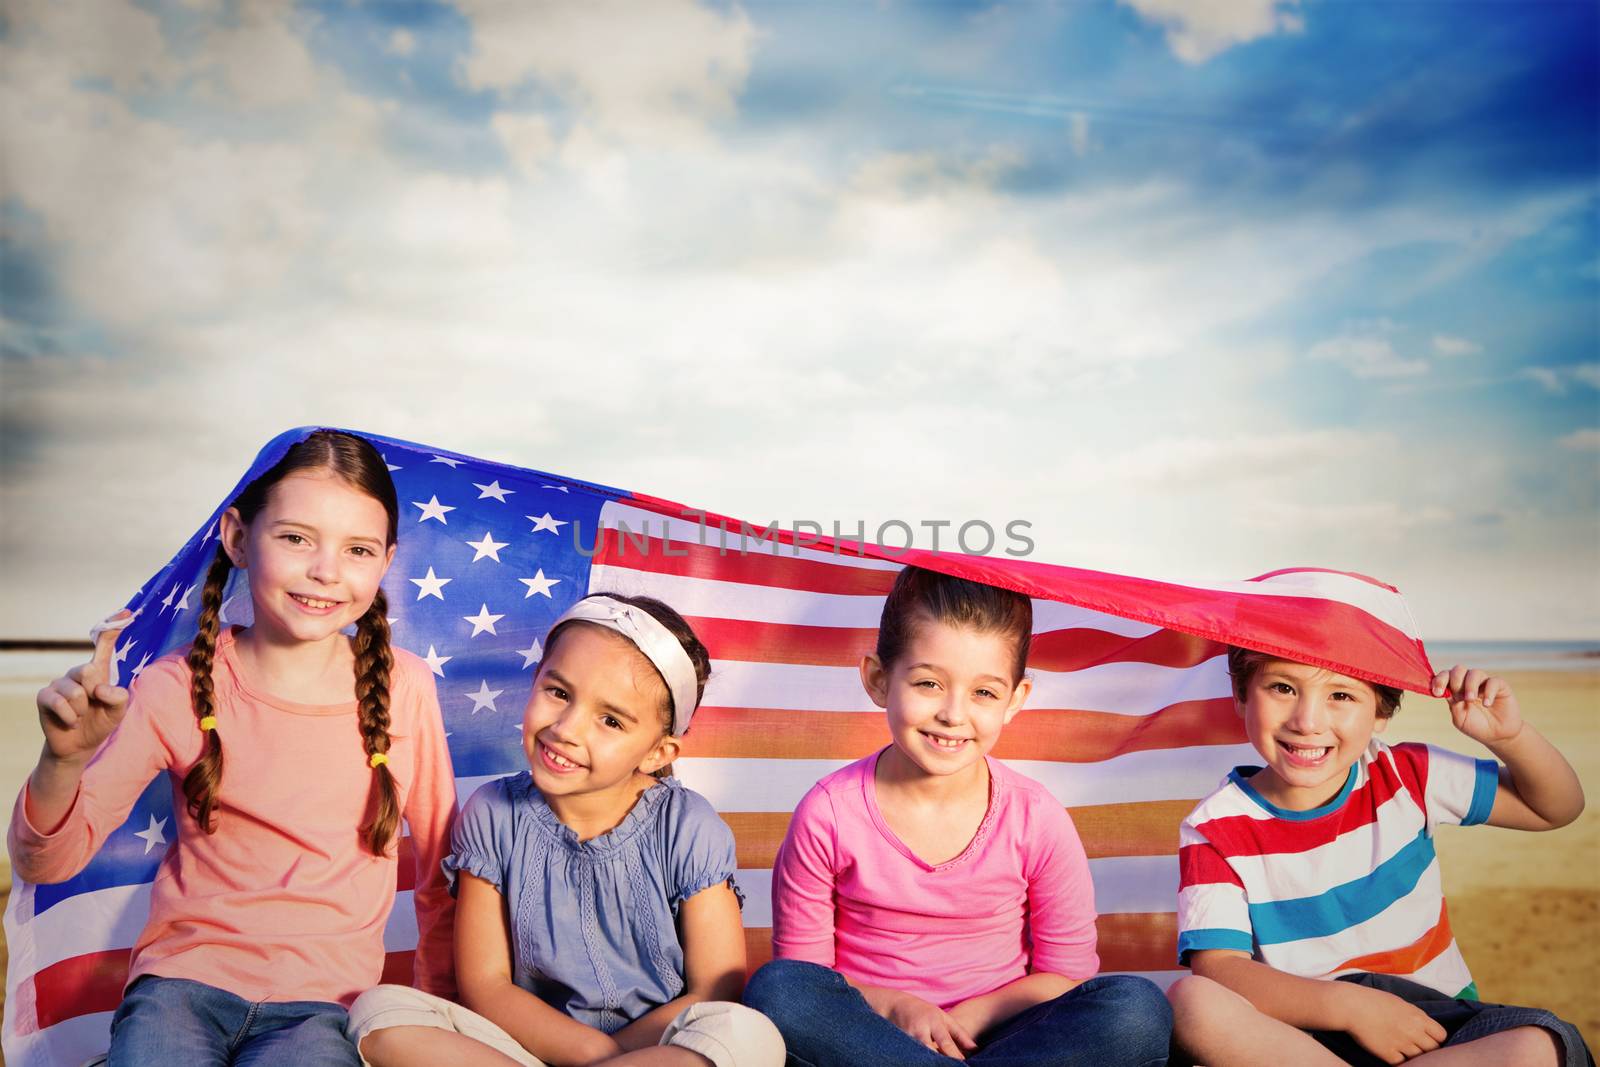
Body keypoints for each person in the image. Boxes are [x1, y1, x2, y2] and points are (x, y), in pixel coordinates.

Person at [10, 430, 458, 1066]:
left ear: (385, 562)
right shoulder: (175, 686)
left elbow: (443, 871)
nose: (326, 570)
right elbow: (45, 862)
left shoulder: (405, 686)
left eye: (356, 549)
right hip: (179, 991)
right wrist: (63, 761)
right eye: (296, 538)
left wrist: (431, 1006)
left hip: (325, 1008)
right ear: (239, 538)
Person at [742, 566, 1173, 1067]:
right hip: (873, 1035)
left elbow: (1067, 979)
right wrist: (899, 1007)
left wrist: (973, 1016)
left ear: (1016, 700)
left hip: (1007, 1037)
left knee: (1136, 1009)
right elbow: (806, 974)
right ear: (879, 680)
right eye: (928, 683)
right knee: (778, 991)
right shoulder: (829, 811)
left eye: (984, 693)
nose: (953, 713)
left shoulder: (1036, 815)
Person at [347, 593, 785, 1067]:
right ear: (535, 682)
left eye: (611, 720)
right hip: (523, 1048)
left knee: (747, 1034)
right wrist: (594, 1056)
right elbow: (485, 985)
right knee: (379, 1012)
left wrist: (616, 1056)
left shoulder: (687, 825)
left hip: (658, 1051)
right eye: (558, 692)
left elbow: (713, 990)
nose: (568, 729)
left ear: (658, 753)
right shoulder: (493, 813)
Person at [1168, 648, 1592, 1066]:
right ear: (1241, 695)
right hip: (1303, 1033)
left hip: (1434, 1025)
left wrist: (1509, 738)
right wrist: (1350, 1007)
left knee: (1543, 1046)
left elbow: (1554, 808)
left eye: (1341, 696)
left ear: (1381, 712)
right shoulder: (1214, 826)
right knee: (1192, 1001)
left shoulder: (1408, 774)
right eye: (1282, 687)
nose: (1307, 721)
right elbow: (1221, 970)